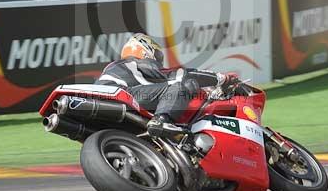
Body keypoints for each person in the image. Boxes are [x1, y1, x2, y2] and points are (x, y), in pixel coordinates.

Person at [96, 33, 237, 137]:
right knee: (183, 84)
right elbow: (181, 75)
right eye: (157, 56)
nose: (159, 61)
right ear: (145, 51)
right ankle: (161, 120)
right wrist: (221, 78)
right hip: (121, 96)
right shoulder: (137, 63)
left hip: (102, 105)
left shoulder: (122, 68)